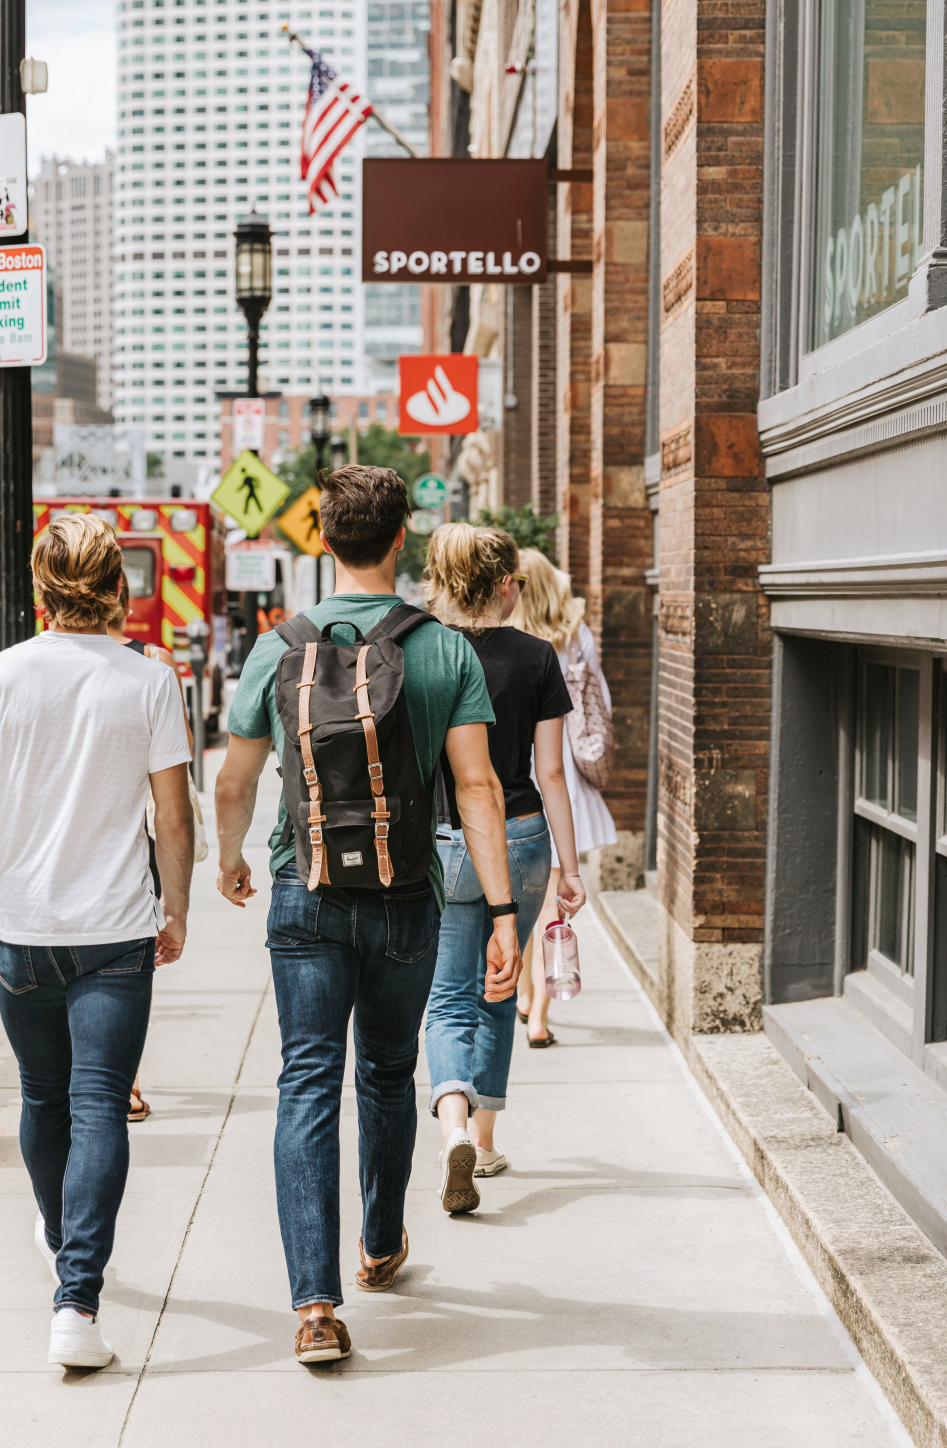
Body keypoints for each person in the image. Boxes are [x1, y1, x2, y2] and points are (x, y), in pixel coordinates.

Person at [214, 465, 519, 1366]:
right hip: (405, 898)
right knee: (387, 1072)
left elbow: (234, 780)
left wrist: (229, 858)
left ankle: (314, 1305)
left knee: (307, 1080)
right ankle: (381, 1242)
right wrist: (503, 913)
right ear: (402, 540)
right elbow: (477, 789)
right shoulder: (443, 651)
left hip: (304, 891)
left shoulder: (279, 649)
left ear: (323, 540)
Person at [0, 513, 194, 1371]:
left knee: (45, 1101)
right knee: (97, 1105)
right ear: (116, 589)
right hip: (115, 931)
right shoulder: (150, 681)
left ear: (41, 592)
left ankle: (61, 1236)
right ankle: (75, 1303)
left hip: (25, 926)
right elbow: (172, 812)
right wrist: (178, 908)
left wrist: (22, 828)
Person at [423, 525, 585, 1206]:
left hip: (446, 839)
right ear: (503, 586)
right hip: (520, 839)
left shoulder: (424, 651)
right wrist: (569, 868)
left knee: (447, 994)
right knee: (500, 984)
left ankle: (453, 1123)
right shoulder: (537, 656)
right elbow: (551, 773)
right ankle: (484, 1147)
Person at [510, 548, 616, 1047]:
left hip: (520, 769)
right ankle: (540, 1017)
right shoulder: (576, 636)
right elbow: (601, 702)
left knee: (526, 897)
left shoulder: (510, 639)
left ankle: (526, 995)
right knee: (556, 900)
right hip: (563, 772)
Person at [104, 576, 199, 1124]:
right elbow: (175, 764)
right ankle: (126, 1079)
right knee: (130, 961)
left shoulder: (31, 661)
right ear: (126, 602)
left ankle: (98, 1077)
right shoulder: (155, 661)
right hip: (136, 832)